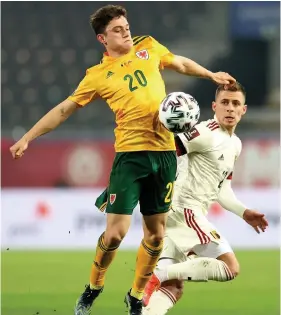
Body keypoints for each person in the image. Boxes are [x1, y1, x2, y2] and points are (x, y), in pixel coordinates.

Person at [9, 5, 236, 315]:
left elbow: (179, 62)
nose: (126, 31)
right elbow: (64, 109)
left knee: (155, 236)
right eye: (118, 29)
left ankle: (135, 295)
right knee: (115, 234)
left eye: (126, 26)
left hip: (165, 157)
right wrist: (28, 137)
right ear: (103, 38)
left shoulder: (148, 46)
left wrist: (210, 74)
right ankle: (93, 287)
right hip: (130, 158)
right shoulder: (97, 75)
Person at [142, 82, 269, 315]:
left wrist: (244, 212)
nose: (230, 108)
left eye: (235, 104)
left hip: (181, 214)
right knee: (230, 268)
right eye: (225, 103)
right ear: (214, 106)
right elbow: (169, 148)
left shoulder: (235, 144)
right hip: (185, 211)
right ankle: (157, 274)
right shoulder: (205, 132)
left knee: (173, 287)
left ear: (244, 110)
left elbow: (222, 190)